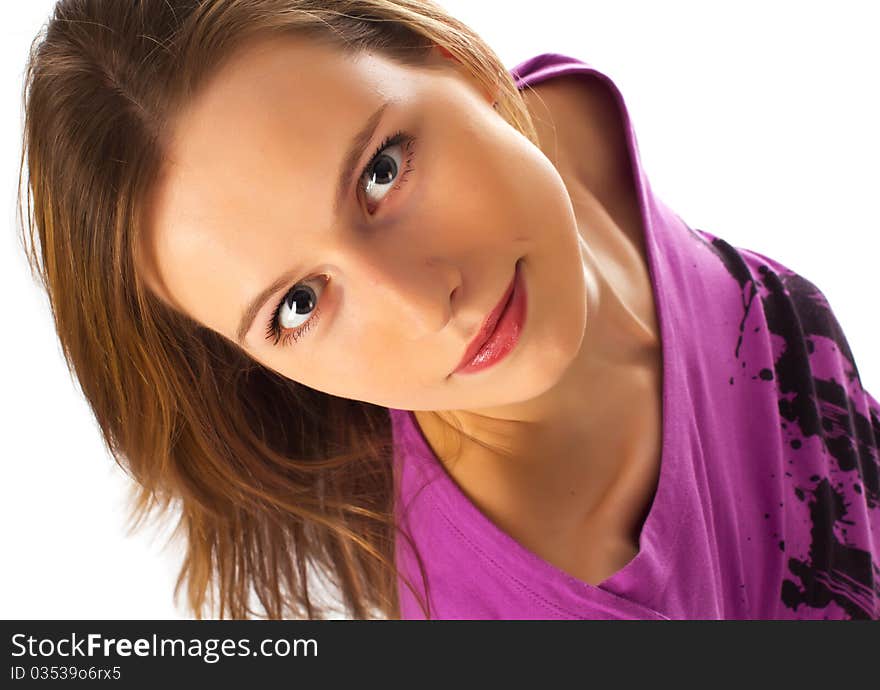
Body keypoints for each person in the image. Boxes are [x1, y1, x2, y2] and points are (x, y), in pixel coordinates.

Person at [17, 0, 879, 620]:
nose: (426, 305)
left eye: (381, 173)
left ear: (454, 62)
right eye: (299, 303)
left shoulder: (575, 124)